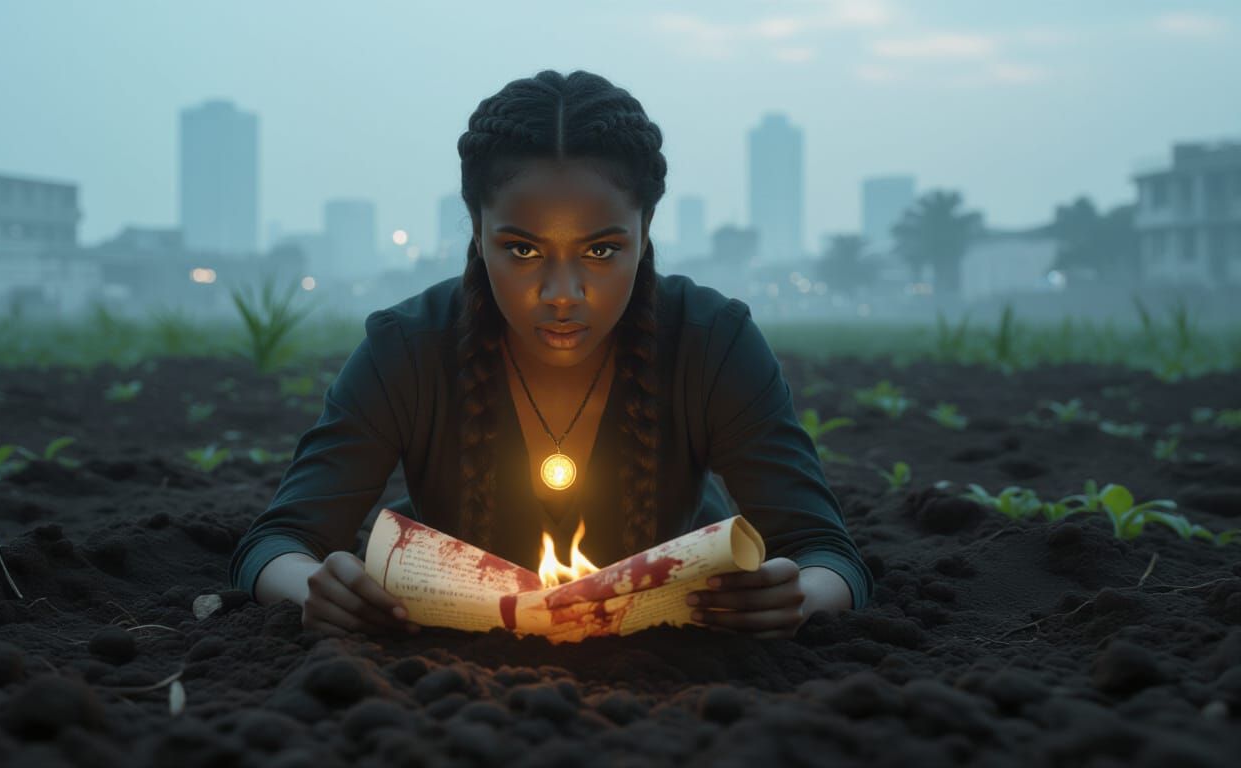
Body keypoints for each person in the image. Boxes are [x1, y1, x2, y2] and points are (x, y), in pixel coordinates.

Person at [230, 69, 873, 641]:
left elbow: (825, 551)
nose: (562, 296)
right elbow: (278, 542)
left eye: (600, 251)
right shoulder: (409, 347)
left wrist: (794, 598)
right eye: (522, 250)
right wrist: (316, 591)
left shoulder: (712, 342)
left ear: (645, 233)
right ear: (476, 231)